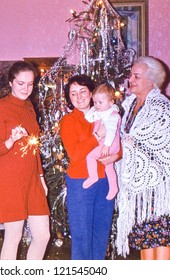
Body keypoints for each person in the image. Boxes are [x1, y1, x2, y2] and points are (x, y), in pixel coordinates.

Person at [115, 56, 170, 260]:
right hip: (137, 187)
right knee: (144, 239)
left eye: (137, 76)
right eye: (131, 75)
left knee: (160, 237)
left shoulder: (161, 106)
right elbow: (124, 138)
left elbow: (147, 141)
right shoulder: (129, 105)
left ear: (151, 80)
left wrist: (124, 146)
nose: (130, 80)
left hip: (155, 186)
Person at [0, 61, 50, 260]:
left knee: (43, 235)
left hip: (32, 179)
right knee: (14, 236)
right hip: (10, 179)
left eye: (30, 84)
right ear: (11, 82)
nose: (26, 89)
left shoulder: (29, 106)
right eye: (21, 83)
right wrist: (11, 140)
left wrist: (41, 177)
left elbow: (34, 146)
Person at [59, 74, 118, 260]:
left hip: (106, 182)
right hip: (80, 182)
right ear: (69, 98)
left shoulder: (105, 114)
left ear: (92, 93)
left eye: (83, 91)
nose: (78, 97)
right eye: (73, 93)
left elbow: (118, 144)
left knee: (101, 236)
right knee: (82, 237)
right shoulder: (68, 121)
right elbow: (75, 155)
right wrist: (97, 136)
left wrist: (116, 155)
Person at [83, 84, 121, 201]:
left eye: (100, 102)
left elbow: (110, 132)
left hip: (110, 144)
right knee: (109, 166)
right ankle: (114, 187)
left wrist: (106, 146)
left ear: (111, 102)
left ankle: (93, 176)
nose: (97, 105)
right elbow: (89, 118)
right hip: (109, 145)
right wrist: (93, 109)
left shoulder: (112, 115)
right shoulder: (104, 112)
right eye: (95, 102)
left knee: (90, 156)